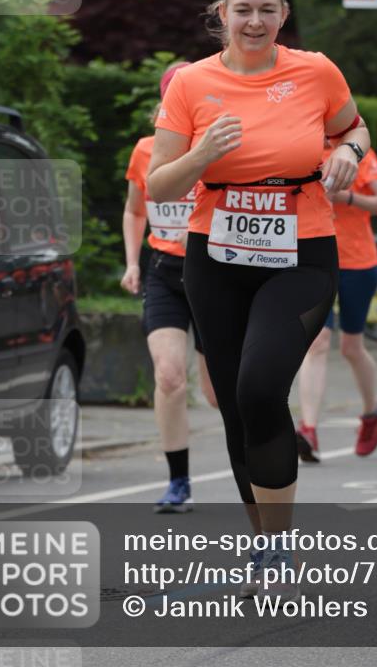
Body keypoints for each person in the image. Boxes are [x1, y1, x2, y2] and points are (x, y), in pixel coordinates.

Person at [147, 0, 371, 589]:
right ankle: (265, 543)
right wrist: (202, 154)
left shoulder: (316, 71)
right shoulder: (191, 83)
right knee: (234, 413)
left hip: (301, 253)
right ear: (222, 14)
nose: (253, 21)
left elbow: (353, 127)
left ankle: (280, 541)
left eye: (265, 10)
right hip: (214, 259)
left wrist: (350, 153)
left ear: (282, 15)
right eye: (241, 10)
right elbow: (159, 182)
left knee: (258, 388)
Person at [121, 61, 217, 514]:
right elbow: (135, 210)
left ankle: (261, 457)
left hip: (213, 272)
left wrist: (199, 231)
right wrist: (132, 262)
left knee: (218, 393)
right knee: (168, 375)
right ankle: (178, 481)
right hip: (162, 272)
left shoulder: (217, 148)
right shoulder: (145, 151)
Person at [296, 139, 377, 462]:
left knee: (351, 347)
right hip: (314, 260)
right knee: (317, 340)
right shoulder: (301, 149)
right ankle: (308, 430)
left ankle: (371, 412)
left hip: (358, 263)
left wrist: (347, 197)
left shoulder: (356, 152)